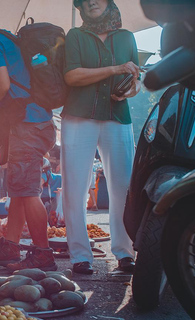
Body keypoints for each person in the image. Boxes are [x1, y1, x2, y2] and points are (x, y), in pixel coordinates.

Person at [0, 0, 57, 271]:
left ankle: (43, 254)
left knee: (28, 191)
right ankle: (11, 246)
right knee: (18, 188)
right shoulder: (12, 40)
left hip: (26, 125)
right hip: (41, 122)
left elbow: (2, 84)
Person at [61, 0, 141, 274]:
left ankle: (125, 252)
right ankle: (80, 256)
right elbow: (72, 76)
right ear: (80, 7)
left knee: (123, 188)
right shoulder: (75, 35)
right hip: (78, 117)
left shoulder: (126, 37)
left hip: (117, 117)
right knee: (75, 188)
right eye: (84, 0)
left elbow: (136, 80)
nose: (91, 1)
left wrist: (128, 90)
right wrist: (115, 70)